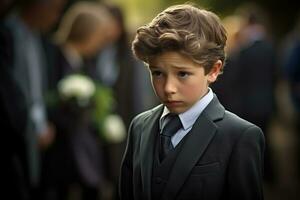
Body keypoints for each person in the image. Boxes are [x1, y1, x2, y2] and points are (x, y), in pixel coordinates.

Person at [119, 3, 265, 200]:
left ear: (213, 70)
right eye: (157, 73)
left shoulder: (240, 136)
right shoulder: (139, 126)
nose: (169, 88)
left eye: (183, 74)